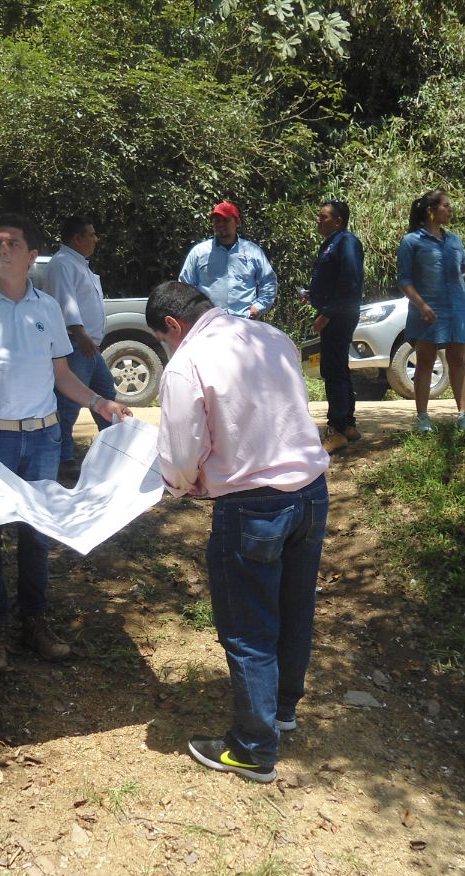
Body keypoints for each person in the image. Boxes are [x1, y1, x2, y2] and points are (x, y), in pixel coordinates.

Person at [146, 281, 329, 783]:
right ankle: (283, 710)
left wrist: (181, 486)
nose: (167, 349)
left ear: (172, 327)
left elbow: (182, 458)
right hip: (311, 492)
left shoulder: (187, 362)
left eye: (163, 340)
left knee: (249, 628)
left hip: (251, 508)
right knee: (295, 609)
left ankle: (252, 747)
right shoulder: (270, 336)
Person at [0, 213, 131, 672]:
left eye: (13, 242)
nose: (2, 248)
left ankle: (34, 622)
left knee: (38, 534)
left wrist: (101, 403)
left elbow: (61, 375)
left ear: (33, 256)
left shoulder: (48, 308)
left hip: (43, 437)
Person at [397, 189, 465, 434]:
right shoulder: (411, 241)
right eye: (446, 206)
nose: (450, 210)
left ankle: (464, 417)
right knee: (425, 363)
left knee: (458, 361)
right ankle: (423, 418)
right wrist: (421, 304)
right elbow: (404, 280)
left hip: (458, 308)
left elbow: (461, 270)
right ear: (431, 211)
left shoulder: (455, 240)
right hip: (427, 311)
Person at [44, 214, 117, 481]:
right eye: (91, 234)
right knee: (68, 404)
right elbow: (65, 302)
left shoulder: (79, 264)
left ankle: (114, 450)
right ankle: (64, 459)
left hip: (88, 345)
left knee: (107, 394)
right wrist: (80, 333)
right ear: (76, 238)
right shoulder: (62, 263)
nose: (95, 239)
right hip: (75, 343)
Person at [303, 200, 365, 453]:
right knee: (338, 367)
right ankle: (348, 424)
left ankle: (336, 430)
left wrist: (326, 315)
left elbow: (350, 281)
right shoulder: (331, 243)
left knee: (332, 369)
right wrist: (313, 293)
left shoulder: (346, 242)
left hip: (339, 315)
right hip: (335, 312)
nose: (319, 220)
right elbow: (333, 280)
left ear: (338, 221)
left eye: (324, 217)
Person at [178, 202, 277, 319]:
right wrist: (195, 312)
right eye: (217, 220)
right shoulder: (199, 252)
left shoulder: (252, 252)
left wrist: (258, 307)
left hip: (244, 321)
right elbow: (185, 286)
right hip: (208, 322)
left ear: (237, 222)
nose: (221, 224)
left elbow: (269, 281)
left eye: (225, 220)